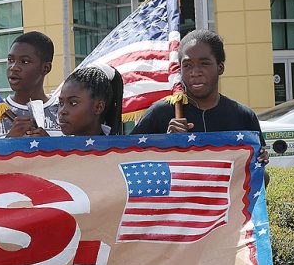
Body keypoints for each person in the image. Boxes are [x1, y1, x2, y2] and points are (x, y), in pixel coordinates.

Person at [131, 29, 268, 165]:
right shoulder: (160, 113)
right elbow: (126, 161)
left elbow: (259, 180)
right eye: (187, 65)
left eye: (204, 63)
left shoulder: (243, 116)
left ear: (220, 67)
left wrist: (258, 165)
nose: (195, 72)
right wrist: (166, 144)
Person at [57, 63, 124, 136]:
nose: (62, 111)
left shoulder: (119, 147)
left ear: (99, 107)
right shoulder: (56, 145)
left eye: (73, 103)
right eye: (61, 103)